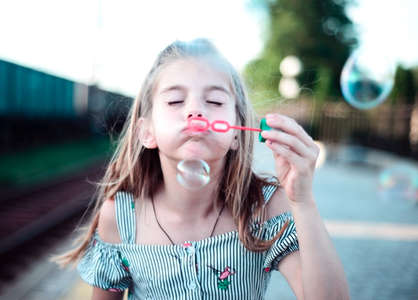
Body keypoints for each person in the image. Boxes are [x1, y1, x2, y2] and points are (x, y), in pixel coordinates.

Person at [57, 38, 349, 300]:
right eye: (175, 100)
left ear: (236, 132)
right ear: (146, 132)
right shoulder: (121, 216)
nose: (195, 111)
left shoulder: (263, 207)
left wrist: (303, 201)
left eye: (214, 100)